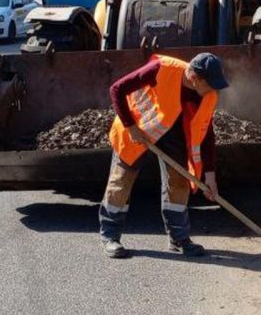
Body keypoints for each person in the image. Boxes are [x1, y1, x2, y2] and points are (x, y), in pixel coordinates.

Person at [98, 52, 229, 259]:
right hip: (138, 129)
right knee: (121, 181)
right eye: (210, 84)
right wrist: (131, 126)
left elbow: (207, 133)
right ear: (195, 79)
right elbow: (117, 89)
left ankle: (178, 239)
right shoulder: (162, 69)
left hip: (174, 134)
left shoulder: (208, 94)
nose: (213, 89)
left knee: (179, 183)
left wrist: (210, 175)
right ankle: (110, 236)